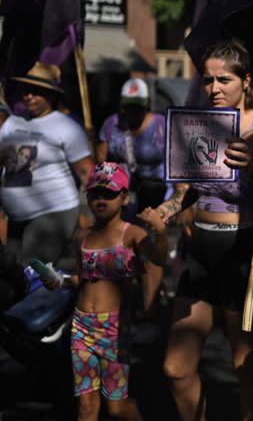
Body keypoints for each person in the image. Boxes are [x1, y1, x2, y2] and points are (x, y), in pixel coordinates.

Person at [144, 40, 253, 420]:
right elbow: (186, 193)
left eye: (224, 79)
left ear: (246, 80)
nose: (214, 88)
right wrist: (164, 211)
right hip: (200, 252)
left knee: (245, 365)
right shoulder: (198, 124)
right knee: (175, 367)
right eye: (208, 80)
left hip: (244, 253)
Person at [43, 162, 168, 421]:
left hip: (114, 330)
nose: (101, 199)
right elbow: (83, 279)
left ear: (124, 198)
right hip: (81, 327)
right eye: (95, 193)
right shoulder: (83, 236)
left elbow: (159, 258)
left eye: (109, 193)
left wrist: (161, 231)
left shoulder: (131, 234)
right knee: (86, 408)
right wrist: (59, 281)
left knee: (117, 408)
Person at [0, 62, 93, 266]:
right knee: (9, 272)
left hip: (53, 214)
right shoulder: (11, 124)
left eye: (37, 91)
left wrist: (89, 216)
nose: (29, 96)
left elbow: (88, 174)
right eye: (26, 91)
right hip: (16, 218)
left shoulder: (66, 127)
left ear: (51, 95)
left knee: (30, 271)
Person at [96, 77, 168, 312]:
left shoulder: (162, 125)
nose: (133, 111)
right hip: (123, 198)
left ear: (147, 104)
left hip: (155, 196)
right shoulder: (112, 124)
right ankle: (121, 307)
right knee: (121, 249)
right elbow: (102, 160)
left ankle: (150, 311)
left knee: (148, 250)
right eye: (129, 106)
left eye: (138, 105)